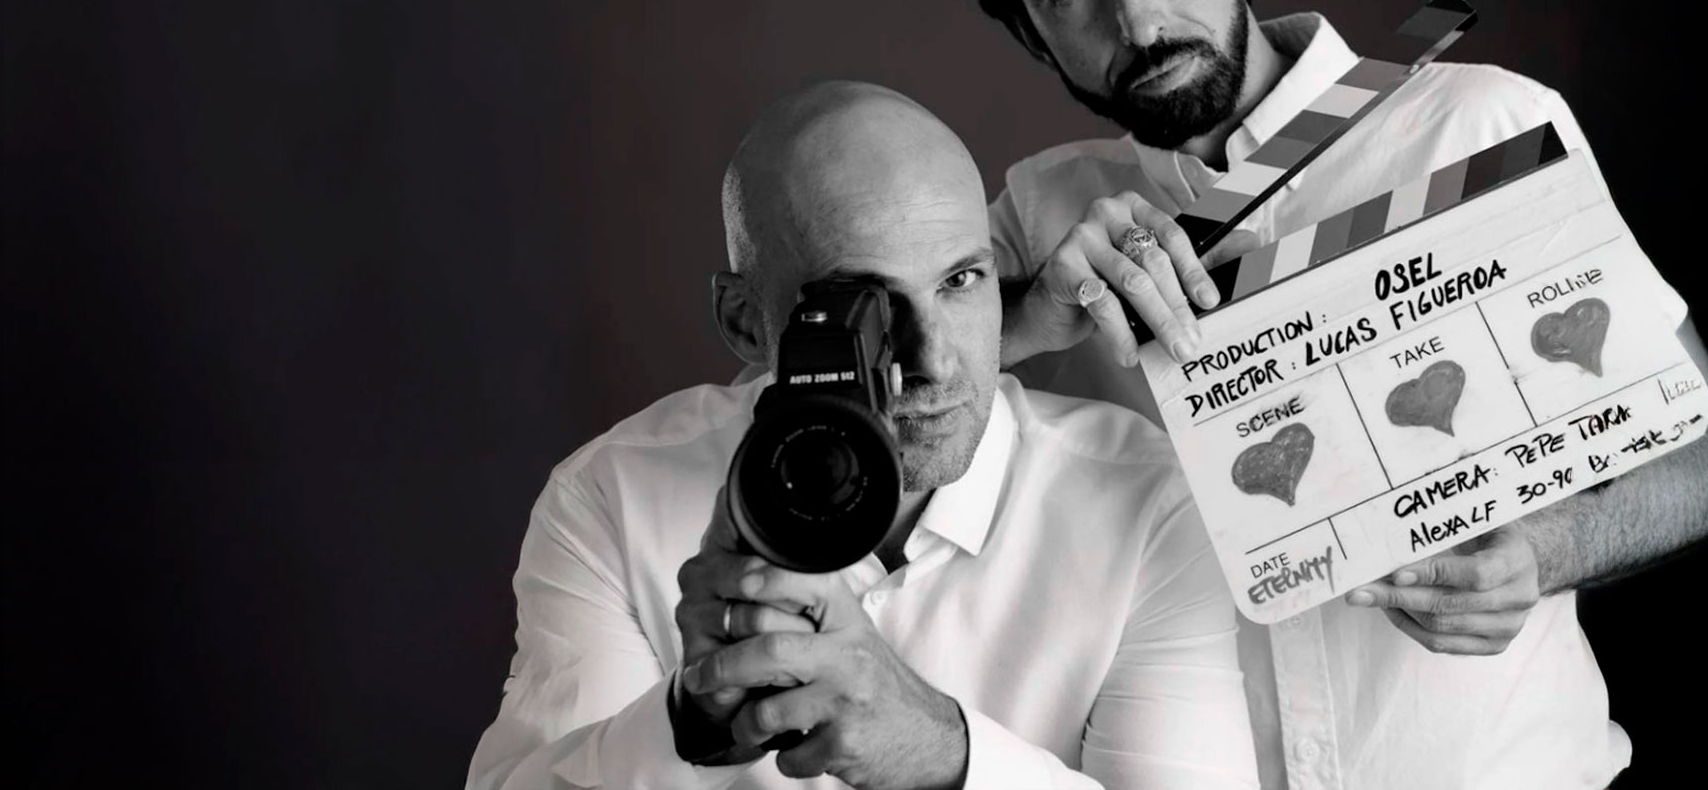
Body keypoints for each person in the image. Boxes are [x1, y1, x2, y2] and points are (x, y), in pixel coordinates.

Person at [938, 0, 1708, 790]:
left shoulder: (1481, 129)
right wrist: (1026, 318)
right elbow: (857, 400)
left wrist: (1546, 552)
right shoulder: (1047, 213)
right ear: (1033, 34)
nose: (1138, 17)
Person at [466, 81, 1258, 790]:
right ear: (745, 321)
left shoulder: (1146, 504)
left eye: (960, 280)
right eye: (860, 309)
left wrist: (942, 754)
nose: (932, 360)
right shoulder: (612, 498)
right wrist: (694, 721)